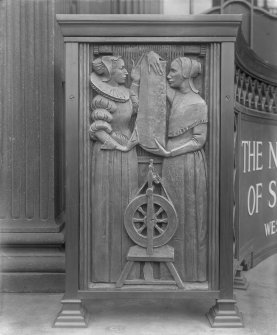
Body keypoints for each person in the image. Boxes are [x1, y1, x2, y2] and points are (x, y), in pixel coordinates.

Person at [154, 57, 208, 282]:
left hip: (187, 163)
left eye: (173, 71)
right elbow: (158, 85)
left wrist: (171, 153)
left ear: (185, 74)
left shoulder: (198, 104)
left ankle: (190, 271)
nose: (169, 75)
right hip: (171, 164)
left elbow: (199, 141)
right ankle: (167, 272)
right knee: (170, 211)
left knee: (187, 213)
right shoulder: (176, 96)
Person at [89, 55, 140, 283]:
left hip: (127, 152)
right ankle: (105, 270)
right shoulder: (103, 98)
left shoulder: (127, 93)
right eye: (122, 68)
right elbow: (99, 130)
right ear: (110, 72)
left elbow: (136, 107)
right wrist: (120, 146)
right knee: (108, 205)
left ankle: (130, 267)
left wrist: (137, 81)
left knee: (128, 203)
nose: (126, 72)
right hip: (110, 156)